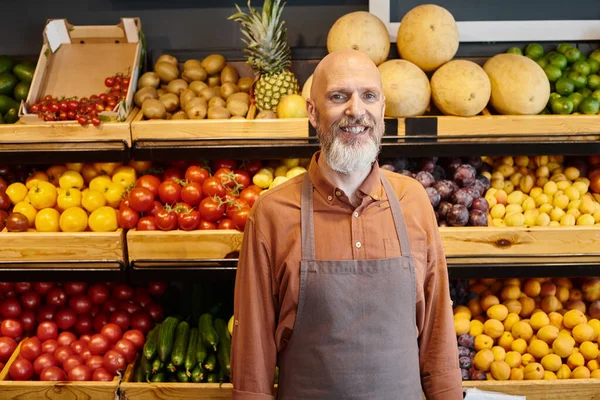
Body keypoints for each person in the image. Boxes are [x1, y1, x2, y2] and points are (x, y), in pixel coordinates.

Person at [231, 49, 462, 400]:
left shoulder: (412, 201)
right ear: (312, 111)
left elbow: (437, 331)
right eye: (339, 97)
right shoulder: (272, 213)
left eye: (368, 96)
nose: (356, 110)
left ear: (382, 110)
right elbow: (253, 350)